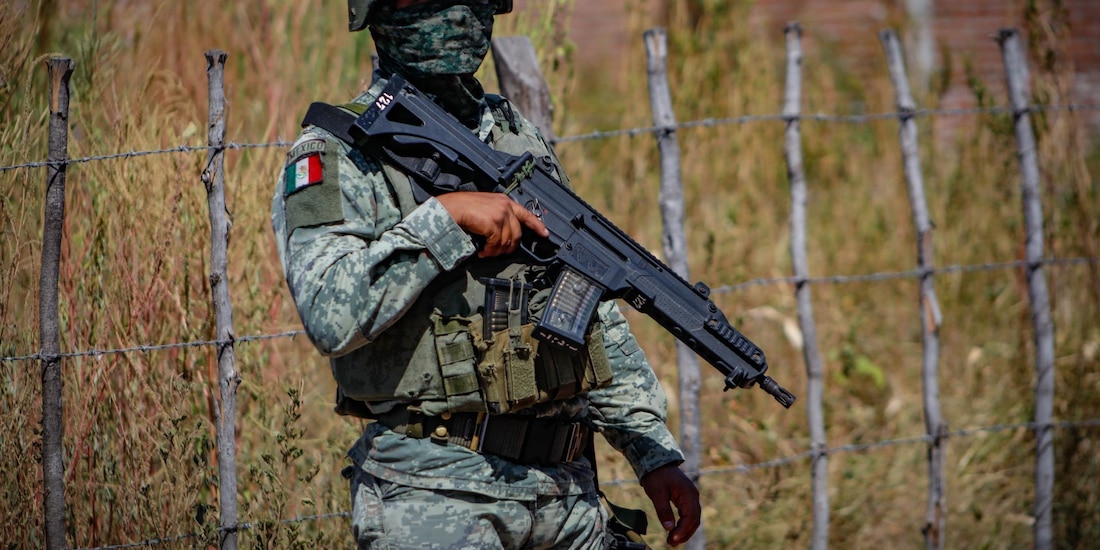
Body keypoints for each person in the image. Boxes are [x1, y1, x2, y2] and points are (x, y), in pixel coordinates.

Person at [271, 0, 701, 547]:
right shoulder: (341, 152)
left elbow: (589, 306)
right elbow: (330, 314)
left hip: (565, 494)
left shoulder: (516, 135)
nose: (451, 14)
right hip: (436, 494)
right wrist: (445, 220)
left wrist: (651, 451)